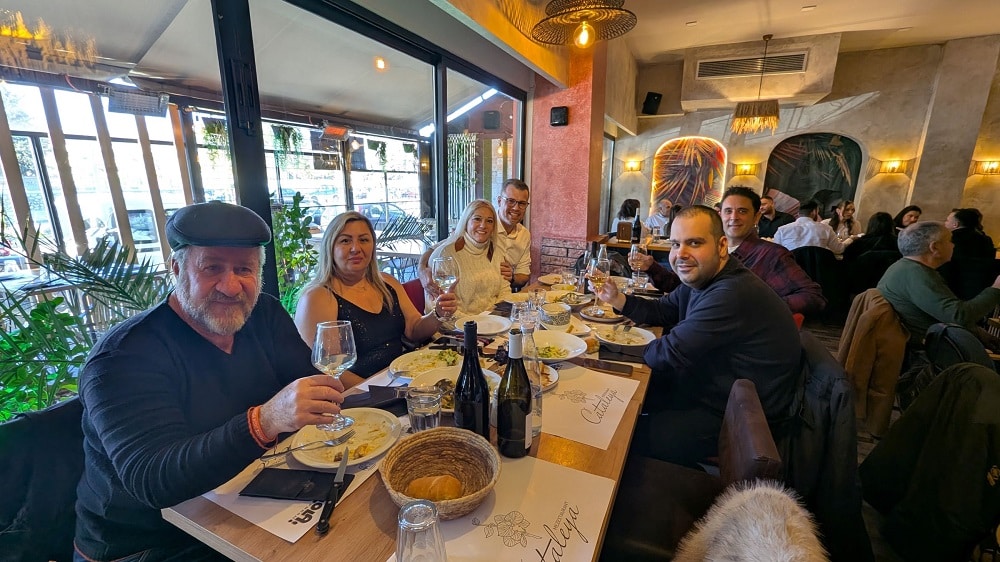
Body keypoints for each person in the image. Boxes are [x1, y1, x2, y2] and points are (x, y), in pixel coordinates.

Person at [74, 201, 347, 561]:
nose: (231, 287)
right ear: (176, 268)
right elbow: (153, 480)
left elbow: (307, 382)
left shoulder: (262, 313)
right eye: (212, 268)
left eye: (244, 269)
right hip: (151, 543)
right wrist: (265, 420)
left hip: (250, 498)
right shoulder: (123, 357)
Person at [592, 205, 801, 467]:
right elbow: (662, 310)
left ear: (721, 246)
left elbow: (667, 353)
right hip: (710, 386)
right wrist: (617, 299)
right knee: (616, 401)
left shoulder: (730, 293)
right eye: (675, 244)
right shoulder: (704, 279)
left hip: (738, 417)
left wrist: (611, 347)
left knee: (621, 431)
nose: (681, 254)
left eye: (694, 243)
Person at [294, 211, 457, 388]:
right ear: (330, 247)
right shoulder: (318, 297)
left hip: (401, 380)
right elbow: (328, 370)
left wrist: (438, 313)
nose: (356, 248)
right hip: (360, 394)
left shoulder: (386, 282)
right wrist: (379, 391)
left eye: (364, 240)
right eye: (345, 241)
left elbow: (414, 328)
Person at [633, 187, 826, 315]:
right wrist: (652, 267)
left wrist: (760, 307)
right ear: (720, 215)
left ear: (756, 217)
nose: (734, 217)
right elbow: (681, 287)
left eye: (742, 211)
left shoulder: (771, 255)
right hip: (692, 325)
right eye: (728, 211)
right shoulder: (709, 249)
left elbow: (813, 296)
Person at [877, 221, 1000, 349]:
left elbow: (943, 313)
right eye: (950, 241)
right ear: (934, 247)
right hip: (923, 353)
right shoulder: (916, 273)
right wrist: (996, 288)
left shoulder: (906, 267)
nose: (953, 245)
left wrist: (977, 332)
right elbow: (959, 316)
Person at [419, 179, 532, 293]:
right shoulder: (480, 230)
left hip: (501, 292)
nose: (516, 208)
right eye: (510, 201)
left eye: (522, 203)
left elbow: (524, 274)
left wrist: (512, 277)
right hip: (472, 292)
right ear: (499, 201)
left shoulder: (524, 235)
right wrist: (422, 269)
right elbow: (437, 250)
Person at [427, 199, 512, 315]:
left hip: (492, 321)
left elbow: (504, 290)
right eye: (477, 219)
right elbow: (440, 309)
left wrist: (495, 317)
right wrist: (473, 323)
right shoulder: (446, 254)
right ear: (466, 221)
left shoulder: (496, 251)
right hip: (457, 324)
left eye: (489, 221)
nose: (483, 225)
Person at [773, 200, 850, 254]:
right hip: (818, 270)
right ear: (814, 212)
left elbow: (776, 253)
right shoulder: (826, 229)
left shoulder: (782, 230)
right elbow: (839, 249)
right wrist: (850, 239)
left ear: (799, 213)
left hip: (791, 269)